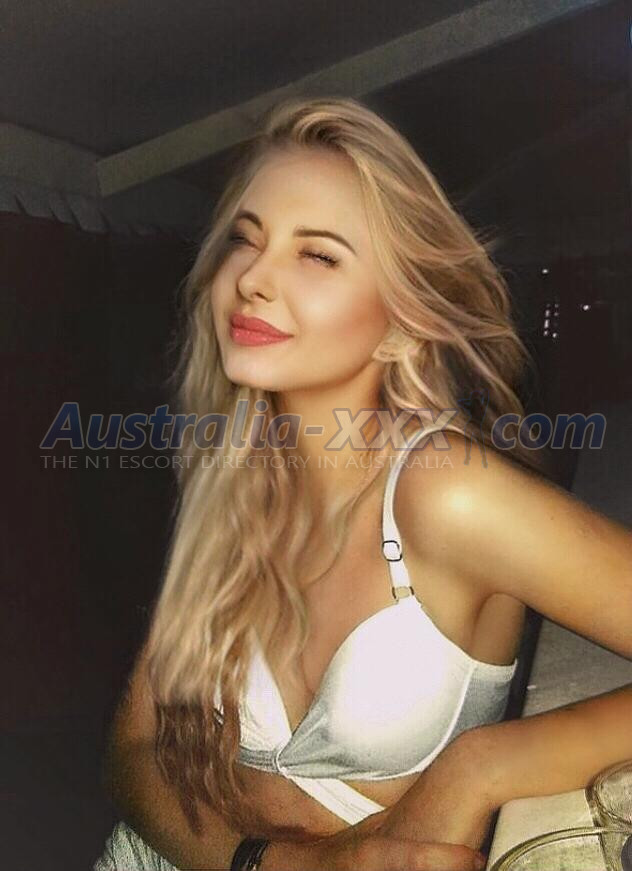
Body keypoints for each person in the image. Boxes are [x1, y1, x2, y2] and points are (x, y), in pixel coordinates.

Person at [95, 96, 632, 871]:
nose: (252, 278)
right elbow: (130, 751)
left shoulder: (447, 495)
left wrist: (479, 764)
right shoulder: (233, 485)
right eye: (247, 239)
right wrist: (280, 863)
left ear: (401, 324)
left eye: (317, 254)